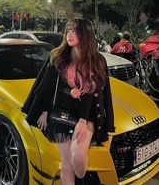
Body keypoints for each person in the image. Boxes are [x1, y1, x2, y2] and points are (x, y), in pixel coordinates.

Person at [22, 17, 115, 185]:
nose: (69, 34)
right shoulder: (58, 56)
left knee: (78, 160)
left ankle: (82, 179)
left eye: (75, 30)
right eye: (68, 30)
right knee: (66, 165)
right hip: (60, 114)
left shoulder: (97, 60)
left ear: (85, 34)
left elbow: (100, 93)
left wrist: (86, 120)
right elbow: (46, 87)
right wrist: (44, 110)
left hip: (86, 115)